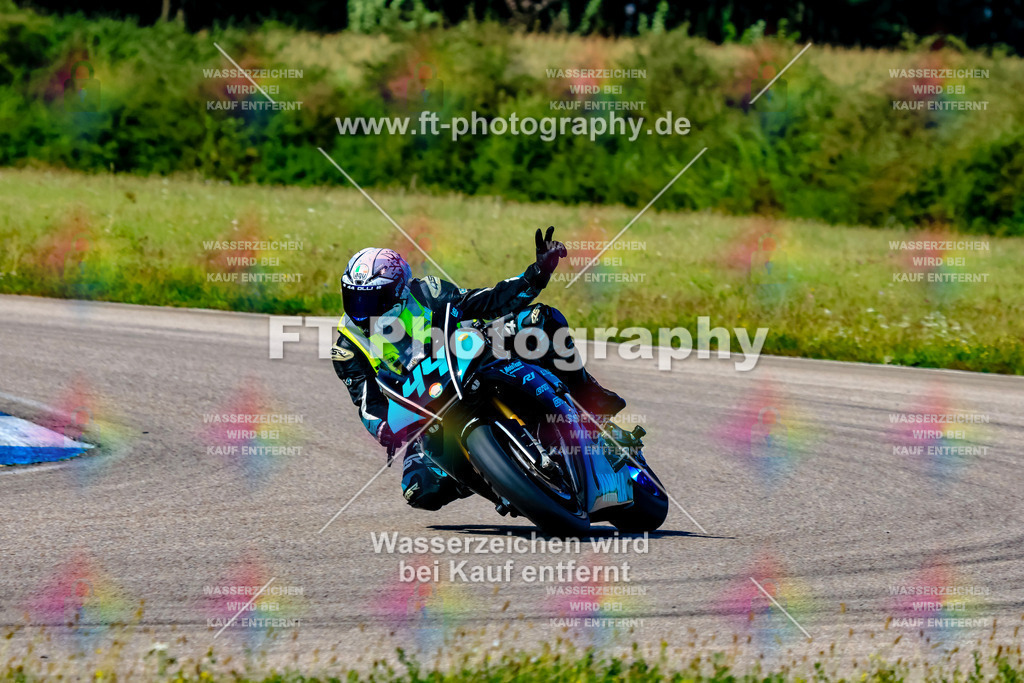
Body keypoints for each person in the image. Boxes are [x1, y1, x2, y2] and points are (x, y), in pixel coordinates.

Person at [332, 227, 625, 510]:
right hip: (428, 411)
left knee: (539, 321)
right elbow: (367, 403)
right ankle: (497, 478)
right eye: (354, 297)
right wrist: (384, 428)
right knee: (419, 490)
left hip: (472, 361)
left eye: (372, 299)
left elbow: (481, 301)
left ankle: (590, 397)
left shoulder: (426, 293)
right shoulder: (347, 346)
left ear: (398, 292)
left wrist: (536, 274)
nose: (361, 309)